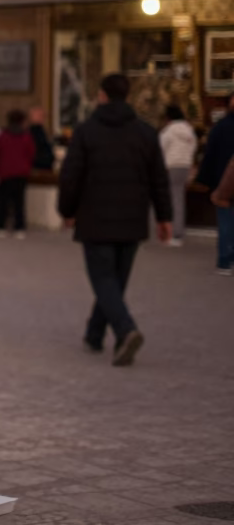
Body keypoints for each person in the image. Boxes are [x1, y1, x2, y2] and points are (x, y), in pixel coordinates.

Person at [58, 74, 171, 366]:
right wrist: (164, 216)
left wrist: (67, 210)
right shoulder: (146, 133)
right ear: (128, 96)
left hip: (95, 220)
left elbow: (71, 176)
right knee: (114, 282)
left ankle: (126, 330)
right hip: (132, 221)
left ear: (103, 95)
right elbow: (159, 178)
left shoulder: (85, 132)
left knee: (105, 281)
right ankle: (94, 335)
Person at [197, 95, 234, 275]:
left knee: (226, 223)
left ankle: (225, 260)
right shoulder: (219, 128)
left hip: (223, 182)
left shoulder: (219, 128)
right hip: (224, 180)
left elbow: (209, 156)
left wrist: (205, 180)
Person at [0, 109, 36, 239]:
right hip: (21, 173)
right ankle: (19, 228)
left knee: (3, 202)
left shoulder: (2, 136)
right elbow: (31, 154)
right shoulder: (26, 136)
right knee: (19, 202)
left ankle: (1, 227)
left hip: (5, 173)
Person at [158, 105, 196, 247]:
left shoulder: (168, 131)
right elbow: (193, 147)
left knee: (171, 200)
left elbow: (160, 149)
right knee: (179, 198)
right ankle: (178, 232)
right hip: (184, 166)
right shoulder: (189, 130)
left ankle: (173, 233)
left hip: (170, 166)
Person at [28, 107, 55, 172]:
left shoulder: (40, 131)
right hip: (38, 166)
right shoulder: (33, 132)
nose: (43, 118)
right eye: (40, 116)